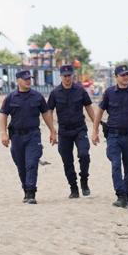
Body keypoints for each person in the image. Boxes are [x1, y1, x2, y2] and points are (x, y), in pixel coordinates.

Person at [91, 65, 128, 209]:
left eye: (127, 74)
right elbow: (99, 111)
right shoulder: (109, 92)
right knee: (116, 164)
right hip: (113, 136)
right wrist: (95, 131)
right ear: (116, 77)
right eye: (122, 75)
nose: (126, 77)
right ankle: (120, 195)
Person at [0, 69, 57, 204]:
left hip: (33, 135)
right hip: (16, 137)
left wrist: (52, 131)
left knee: (31, 163)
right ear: (18, 81)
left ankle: (31, 193)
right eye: (25, 79)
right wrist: (3, 133)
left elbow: (46, 114)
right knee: (21, 165)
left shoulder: (37, 97)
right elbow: (3, 115)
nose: (28, 81)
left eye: (29, 78)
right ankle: (26, 190)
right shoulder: (11, 98)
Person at [47, 65, 95, 198]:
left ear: (73, 75)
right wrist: (52, 131)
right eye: (65, 76)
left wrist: (96, 126)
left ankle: (84, 180)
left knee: (84, 154)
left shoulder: (80, 91)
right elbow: (49, 111)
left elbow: (89, 108)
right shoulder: (55, 93)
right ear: (61, 76)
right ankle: (73, 188)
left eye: (69, 75)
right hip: (64, 132)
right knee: (67, 161)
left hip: (80, 129)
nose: (67, 78)